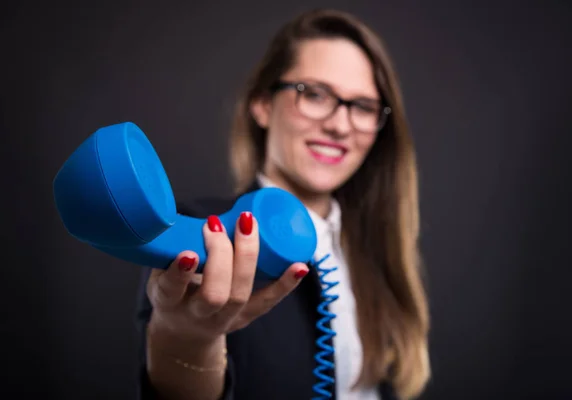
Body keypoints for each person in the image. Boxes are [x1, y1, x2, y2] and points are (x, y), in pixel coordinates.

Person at [135, 8, 431, 400]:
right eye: (316, 94)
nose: (340, 125)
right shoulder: (203, 232)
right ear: (262, 103)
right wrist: (184, 339)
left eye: (362, 107)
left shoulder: (378, 255)